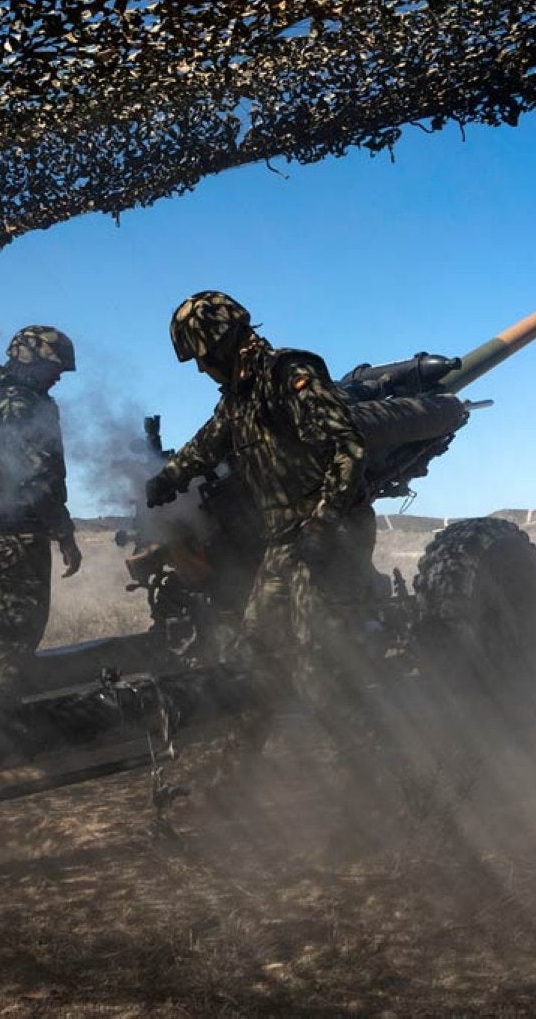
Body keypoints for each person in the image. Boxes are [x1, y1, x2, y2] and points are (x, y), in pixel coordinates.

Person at [143, 292, 382, 785]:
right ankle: (235, 783)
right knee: (253, 661)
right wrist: (168, 478)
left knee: (323, 673)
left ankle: (374, 792)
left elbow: (348, 444)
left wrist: (324, 520)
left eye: (202, 356)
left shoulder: (287, 375)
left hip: (326, 537)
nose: (201, 368)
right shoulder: (239, 398)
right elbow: (208, 443)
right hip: (285, 543)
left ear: (222, 343)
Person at [0, 325, 83, 702]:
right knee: (13, 641)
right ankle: (3, 732)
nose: (57, 378)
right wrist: (64, 533)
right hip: (15, 533)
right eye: (53, 368)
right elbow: (36, 476)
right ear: (30, 360)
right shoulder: (20, 403)